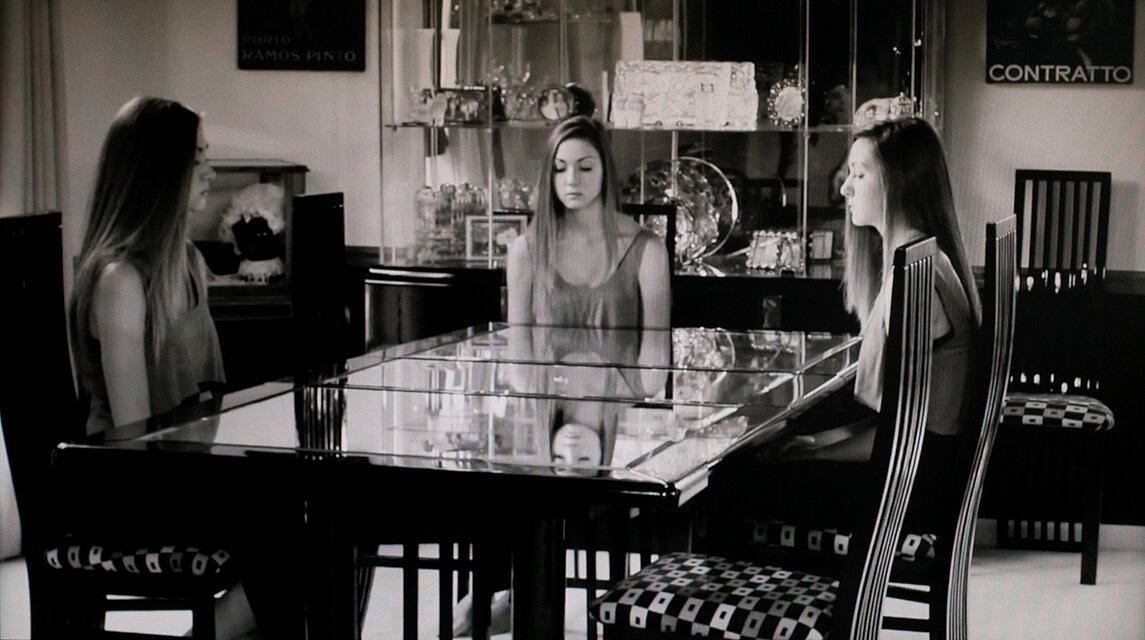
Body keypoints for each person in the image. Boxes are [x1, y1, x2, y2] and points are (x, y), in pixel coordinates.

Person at [67, 96, 262, 640]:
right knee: (303, 532)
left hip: (184, 476)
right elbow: (137, 440)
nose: (211, 172)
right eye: (197, 160)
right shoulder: (120, 280)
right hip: (131, 493)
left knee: (322, 521)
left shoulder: (189, 262)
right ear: (159, 172)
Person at [507, 115, 671, 329]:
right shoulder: (525, 251)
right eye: (560, 168)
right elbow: (519, 347)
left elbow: (656, 346)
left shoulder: (648, 250)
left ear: (605, 171)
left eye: (585, 167)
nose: (572, 180)